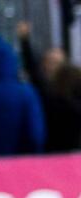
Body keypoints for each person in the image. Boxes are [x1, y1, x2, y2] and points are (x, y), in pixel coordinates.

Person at [17, 20, 81, 152]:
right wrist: (24, 42)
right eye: (50, 62)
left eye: (58, 62)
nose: (54, 67)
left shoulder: (70, 93)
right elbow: (33, 69)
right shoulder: (45, 91)